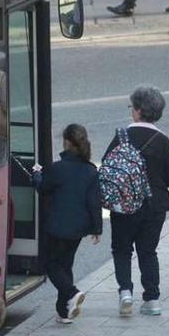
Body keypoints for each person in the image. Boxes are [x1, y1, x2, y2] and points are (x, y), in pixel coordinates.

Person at [104, 85, 169, 316]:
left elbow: (107, 168)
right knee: (148, 251)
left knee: (122, 249)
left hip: (124, 206)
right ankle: (152, 299)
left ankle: (125, 292)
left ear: (136, 110)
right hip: (154, 205)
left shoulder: (121, 137)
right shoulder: (163, 141)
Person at [32, 124, 102, 324]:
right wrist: (97, 229)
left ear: (67, 142)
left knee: (50, 263)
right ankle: (64, 312)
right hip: (78, 229)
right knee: (66, 264)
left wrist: (37, 175)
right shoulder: (90, 171)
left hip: (56, 226)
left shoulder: (57, 168)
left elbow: (43, 188)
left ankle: (72, 293)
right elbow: (94, 202)